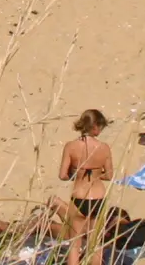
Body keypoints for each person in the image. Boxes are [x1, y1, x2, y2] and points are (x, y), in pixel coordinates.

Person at [57, 109, 113, 265]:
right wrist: (96, 175)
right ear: (95, 126)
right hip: (98, 196)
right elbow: (109, 175)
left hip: (79, 196)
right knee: (94, 243)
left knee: (75, 244)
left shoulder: (71, 146)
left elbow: (62, 175)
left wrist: (76, 174)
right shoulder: (104, 147)